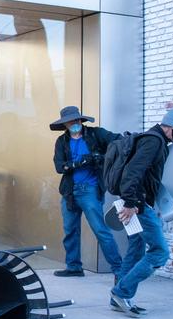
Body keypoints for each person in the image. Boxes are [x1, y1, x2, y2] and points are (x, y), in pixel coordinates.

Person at [110, 107, 173, 318]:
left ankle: (118, 299)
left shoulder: (157, 141)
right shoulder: (153, 141)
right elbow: (132, 172)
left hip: (138, 203)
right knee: (159, 252)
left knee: (136, 249)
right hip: (137, 205)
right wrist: (130, 202)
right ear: (172, 128)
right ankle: (121, 292)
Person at [51, 106, 123, 277]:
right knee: (70, 231)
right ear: (65, 124)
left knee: (100, 230)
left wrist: (100, 157)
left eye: (76, 120)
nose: (74, 123)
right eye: (70, 121)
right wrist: (76, 163)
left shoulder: (96, 134)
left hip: (90, 190)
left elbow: (118, 142)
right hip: (69, 192)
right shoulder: (62, 142)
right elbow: (59, 167)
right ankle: (74, 267)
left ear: (81, 120)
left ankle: (119, 269)